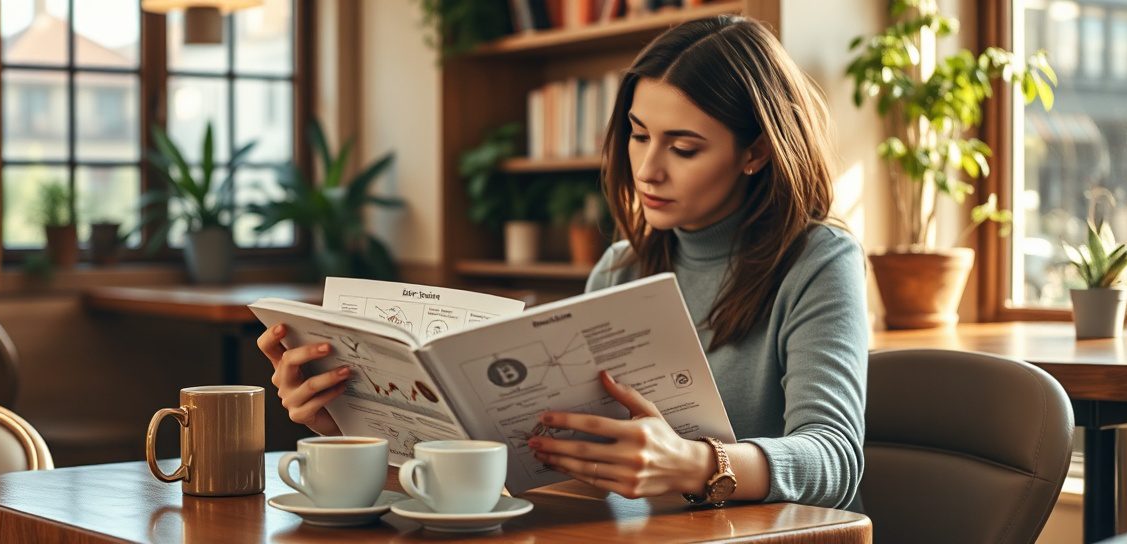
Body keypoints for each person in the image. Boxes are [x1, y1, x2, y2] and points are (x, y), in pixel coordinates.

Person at [257, 15, 867, 512]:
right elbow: (544, 471)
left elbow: (835, 459)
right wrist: (346, 423)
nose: (648, 169)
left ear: (756, 152)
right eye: (636, 134)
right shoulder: (621, 269)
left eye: (684, 147)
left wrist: (697, 462)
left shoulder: (817, 260)